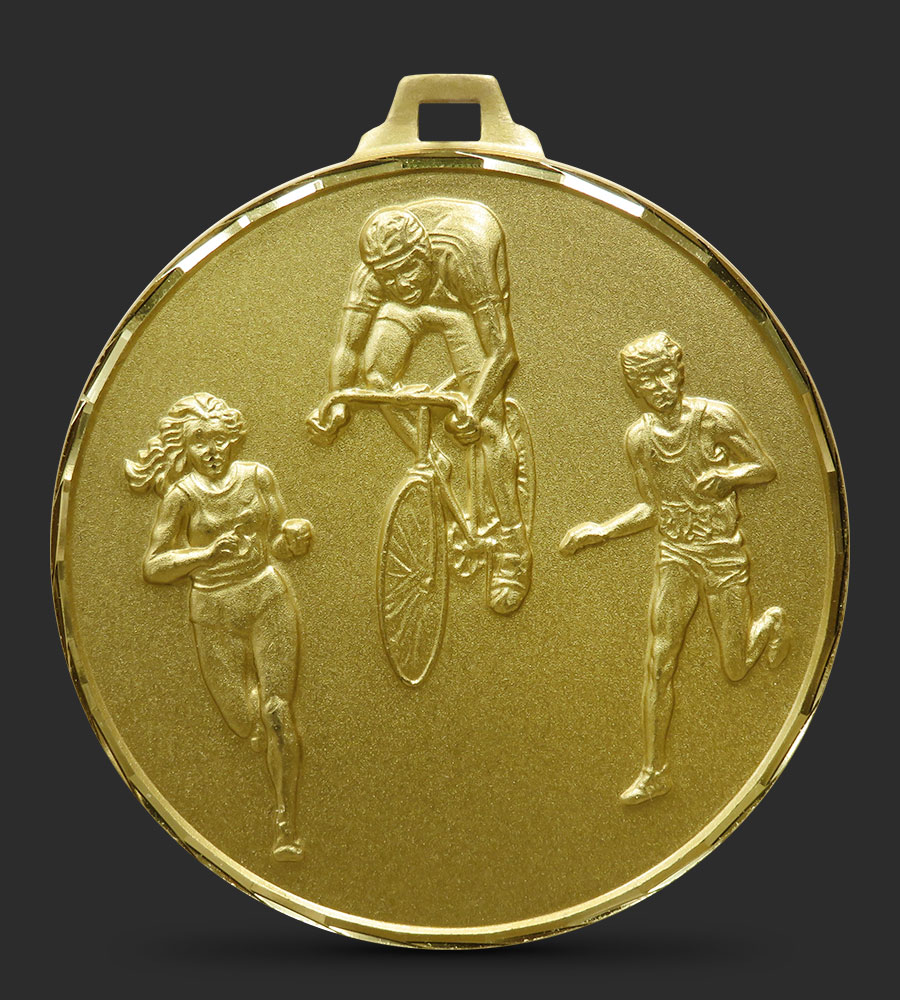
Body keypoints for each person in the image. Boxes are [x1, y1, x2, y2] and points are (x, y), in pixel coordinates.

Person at [560, 332, 789, 804]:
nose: (660, 386)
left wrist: (728, 475)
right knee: (660, 660)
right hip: (676, 555)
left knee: (734, 668)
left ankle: (769, 624)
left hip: (721, 554)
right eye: (647, 380)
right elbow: (653, 509)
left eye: (665, 373)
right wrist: (601, 531)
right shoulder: (639, 438)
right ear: (636, 388)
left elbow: (765, 468)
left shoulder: (715, 418)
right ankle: (654, 771)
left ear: (679, 371)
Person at [307, 198, 531, 614]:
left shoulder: (464, 258)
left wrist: (475, 408)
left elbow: (503, 352)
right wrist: (337, 402)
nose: (400, 283)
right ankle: (431, 456)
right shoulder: (373, 276)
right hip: (413, 311)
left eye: (407, 270)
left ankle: (513, 545)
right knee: (376, 380)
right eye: (388, 277)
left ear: (424, 253)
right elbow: (348, 348)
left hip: (465, 304)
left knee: (488, 424)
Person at [125, 393, 312, 858]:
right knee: (244, 719)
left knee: (277, 711)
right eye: (199, 441)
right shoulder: (181, 496)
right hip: (214, 611)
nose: (212, 450)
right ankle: (260, 732)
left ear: (233, 439)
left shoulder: (258, 477)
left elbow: (277, 539)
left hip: (267, 597)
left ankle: (286, 822)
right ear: (185, 447)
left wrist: (293, 538)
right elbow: (153, 566)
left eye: (219, 438)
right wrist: (206, 554)